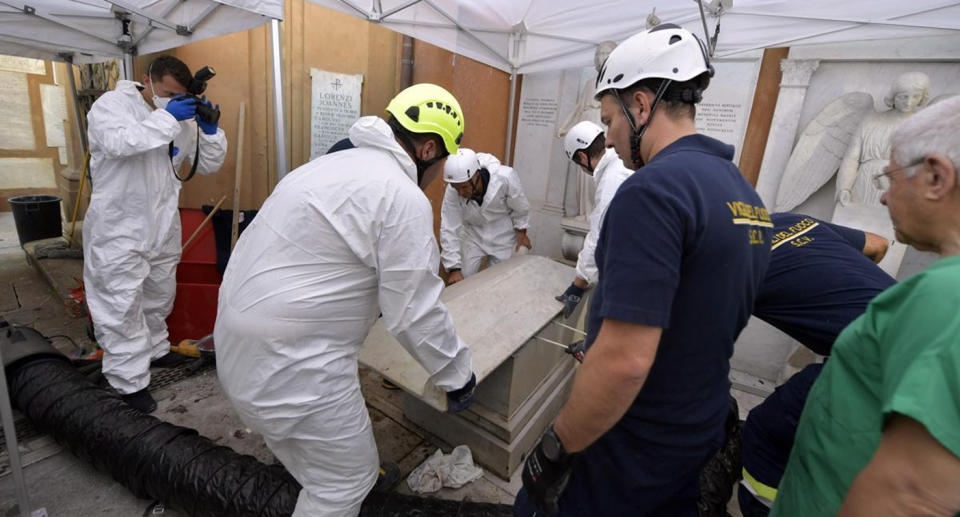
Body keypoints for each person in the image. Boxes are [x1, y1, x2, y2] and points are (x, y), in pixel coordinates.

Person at [515, 24, 771, 516]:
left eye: (610, 119)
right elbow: (700, 310)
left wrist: (555, 449)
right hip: (697, 434)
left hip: (631, 450)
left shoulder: (653, 192)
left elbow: (626, 362)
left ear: (640, 105)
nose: (608, 138)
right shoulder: (745, 195)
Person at [214, 83, 477, 517]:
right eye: (442, 161)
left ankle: (325, 470)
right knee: (346, 481)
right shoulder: (401, 195)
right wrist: (457, 374)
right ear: (429, 148)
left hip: (236, 345)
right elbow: (413, 311)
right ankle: (339, 483)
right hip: (293, 366)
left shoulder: (320, 168)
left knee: (319, 454)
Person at [771, 98, 960, 517]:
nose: (883, 198)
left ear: (935, 177)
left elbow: (912, 495)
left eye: (889, 178)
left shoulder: (946, 297)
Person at [83, 55, 226, 413]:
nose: (170, 101)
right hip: (119, 227)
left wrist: (210, 131)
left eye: (177, 96)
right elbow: (120, 143)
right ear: (147, 81)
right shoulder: (112, 106)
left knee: (159, 294)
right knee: (120, 303)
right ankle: (127, 381)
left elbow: (206, 165)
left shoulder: (179, 119)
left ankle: (156, 351)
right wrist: (167, 117)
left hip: (162, 225)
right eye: (165, 93)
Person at [735, 212, 895, 516]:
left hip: (876, 358)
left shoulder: (717, 259)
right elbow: (879, 245)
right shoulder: (793, 221)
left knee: (768, 432)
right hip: (920, 337)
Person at [554, 121, 633, 318]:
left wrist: (577, 286)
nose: (582, 169)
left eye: (578, 164)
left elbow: (599, 236)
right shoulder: (620, 163)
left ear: (582, 156)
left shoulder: (611, 180)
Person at [440, 148, 531, 283]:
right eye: (456, 187)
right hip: (472, 232)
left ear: (476, 175)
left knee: (498, 280)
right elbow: (449, 227)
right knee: (462, 279)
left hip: (503, 233)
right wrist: (454, 268)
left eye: (464, 187)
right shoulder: (453, 190)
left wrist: (522, 231)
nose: (460, 193)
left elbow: (520, 205)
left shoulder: (505, 177)